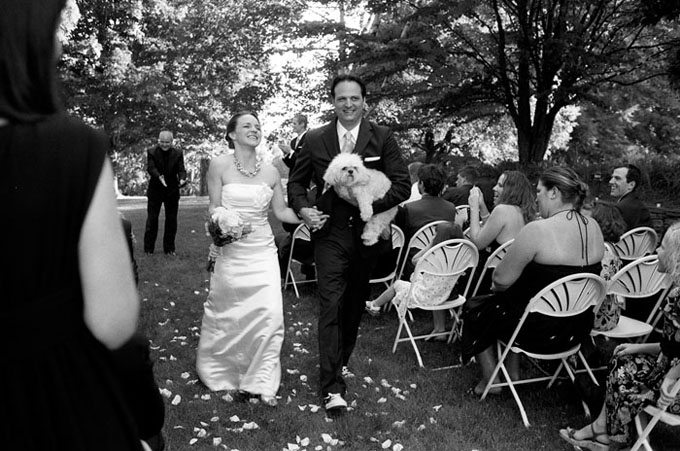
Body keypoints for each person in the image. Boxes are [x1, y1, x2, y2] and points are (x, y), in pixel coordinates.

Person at [0, 1, 142, 449]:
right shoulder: (72, 147)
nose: (60, 45)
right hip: (51, 400)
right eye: (55, 26)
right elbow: (113, 321)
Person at [287, 74, 410, 412]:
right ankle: (332, 388)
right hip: (329, 234)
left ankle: (339, 361)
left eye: (354, 98)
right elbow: (296, 184)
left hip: (367, 236)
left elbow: (402, 186)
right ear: (334, 102)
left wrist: (365, 203)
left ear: (364, 101)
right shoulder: (315, 138)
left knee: (353, 307)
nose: (348, 104)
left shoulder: (382, 137)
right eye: (341, 98)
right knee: (330, 304)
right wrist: (303, 209)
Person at [462, 167, 605, 396]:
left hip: (535, 331)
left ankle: (491, 381)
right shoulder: (594, 227)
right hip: (576, 329)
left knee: (477, 308)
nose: (536, 197)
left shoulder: (537, 230)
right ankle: (513, 373)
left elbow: (500, 279)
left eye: (539, 191)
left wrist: (499, 285)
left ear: (554, 192)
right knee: (516, 303)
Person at [196, 111, 301, 407]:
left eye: (257, 126)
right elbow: (214, 206)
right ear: (232, 134)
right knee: (229, 313)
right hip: (231, 251)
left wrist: (309, 216)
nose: (254, 129)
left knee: (270, 313)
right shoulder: (219, 165)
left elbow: (281, 212)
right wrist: (222, 224)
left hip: (262, 251)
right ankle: (223, 372)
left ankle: (261, 380)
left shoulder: (271, 171)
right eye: (247, 126)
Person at [560, 221, 680, 451]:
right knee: (623, 359)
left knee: (623, 372)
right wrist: (637, 347)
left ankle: (609, 434)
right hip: (670, 375)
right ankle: (609, 433)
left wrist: (671, 377)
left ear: (676, 257)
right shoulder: (677, 292)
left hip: (674, 391)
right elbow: (672, 346)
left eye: (663, 247)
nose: (657, 250)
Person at [365, 222, 464, 338]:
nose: (432, 237)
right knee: (421, 280)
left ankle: (374, 304)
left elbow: (415, 260)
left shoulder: (434, 256)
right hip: (445, 293)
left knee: (397, 284)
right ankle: (440, 330)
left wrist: (430, 246)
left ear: (439, 239)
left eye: (434, 235)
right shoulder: (459, 258)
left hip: (426, 295)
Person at [395, 163, 458, 279]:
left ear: (422, 184)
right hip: (440, 264)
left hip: (412, 265)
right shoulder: (451, 208)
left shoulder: (409, 208)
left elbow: (400, 240)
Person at [143, 130, 187, 255]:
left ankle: (169, 249)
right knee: (152, 219)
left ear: (172, 142)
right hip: (156, 189)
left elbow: (181, 169)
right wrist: (159, 176)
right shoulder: (151, 151)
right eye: (162, 142)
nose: (164, 144)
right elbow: (151, 168)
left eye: (167, 142)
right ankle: (148, 249)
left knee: (171, 220)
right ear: (158, 141)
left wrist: (182, 178)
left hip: (172, 190)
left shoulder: (178, 153)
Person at [609, 164, 652, 231]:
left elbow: (613, 235)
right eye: (612, 177)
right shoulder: (639, 206)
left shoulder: (620, 209)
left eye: (617, 178)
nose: (610, 181)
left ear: (631, 185)